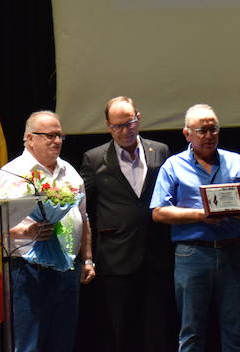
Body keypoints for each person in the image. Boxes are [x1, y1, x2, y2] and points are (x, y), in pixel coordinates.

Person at [151, 104, 240, 352]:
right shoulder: (173, 166)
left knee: (235, 330)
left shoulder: (236, 162)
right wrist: (200, 215)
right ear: (187, 134)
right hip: (192, 253)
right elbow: (159, 212)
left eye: (213, 129)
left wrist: (236, 211)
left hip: (233, 251)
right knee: (191, 332)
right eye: (202, 130)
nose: (209, 135)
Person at [0, 110, 95, 352]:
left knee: (62, 342)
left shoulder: (70, 173)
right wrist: (26, 231)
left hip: (67, 268)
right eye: (49, 135)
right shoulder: (12, 173)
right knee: (29, 344)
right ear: (29, 139)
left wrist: (87, 259)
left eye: (59, 136)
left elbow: (84, 218)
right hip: (27, 271)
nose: (56, 141)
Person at [80, 96, 176, 352]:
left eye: (129, 123)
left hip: (157, 252)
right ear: (108, 126)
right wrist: (86, 256)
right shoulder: (94, 158)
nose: (124, 131)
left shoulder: (161, 151)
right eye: (117, 126)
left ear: (138, 119)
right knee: (122, 330)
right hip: (116, 255)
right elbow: (82, 206)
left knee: (158, 327)